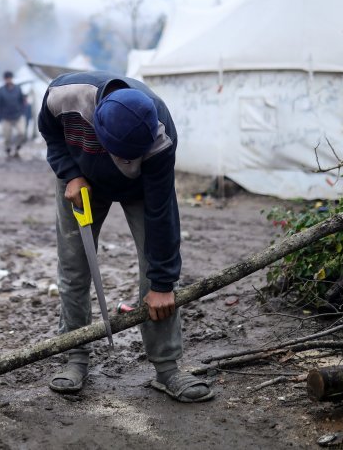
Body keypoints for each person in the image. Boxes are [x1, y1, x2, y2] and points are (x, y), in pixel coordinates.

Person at [37, 71, 213, 403]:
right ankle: (75, 357)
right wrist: (70, 174)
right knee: (74, 265)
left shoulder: (160, 131)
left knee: (155, 269)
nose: (127, 162)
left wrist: (162, 285)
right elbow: (50, 133)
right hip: (82, 180)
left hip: (140, 191)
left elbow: (162, 213)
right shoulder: (64, 95)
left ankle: (166, 367)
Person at [0, 71, 26, 159]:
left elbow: (22, 100)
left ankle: (17, 148)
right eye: (6, 79)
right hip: (6, 117)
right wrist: (1, 115)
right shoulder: (1, 90)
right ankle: (8, 151)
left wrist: (21, 111)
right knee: (7, 136)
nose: (8, 80)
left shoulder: (18, 88)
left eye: (9, 78)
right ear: (4, 79)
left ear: (12, 78)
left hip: (18, 115)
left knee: (22, 133)